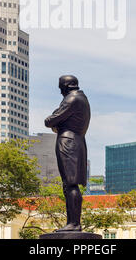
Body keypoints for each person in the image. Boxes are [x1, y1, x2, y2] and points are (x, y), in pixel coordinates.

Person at [44, 75, 91, 232]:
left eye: (60, 88)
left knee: (70, 184)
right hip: (77, 141)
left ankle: (74, 223)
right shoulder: (82, 98)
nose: (60, 91)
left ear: (65, 86)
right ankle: (72, 222)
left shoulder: (72, 99)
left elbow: (50, 120)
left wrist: (56, 122)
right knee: (69, 184)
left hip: (68, 142)